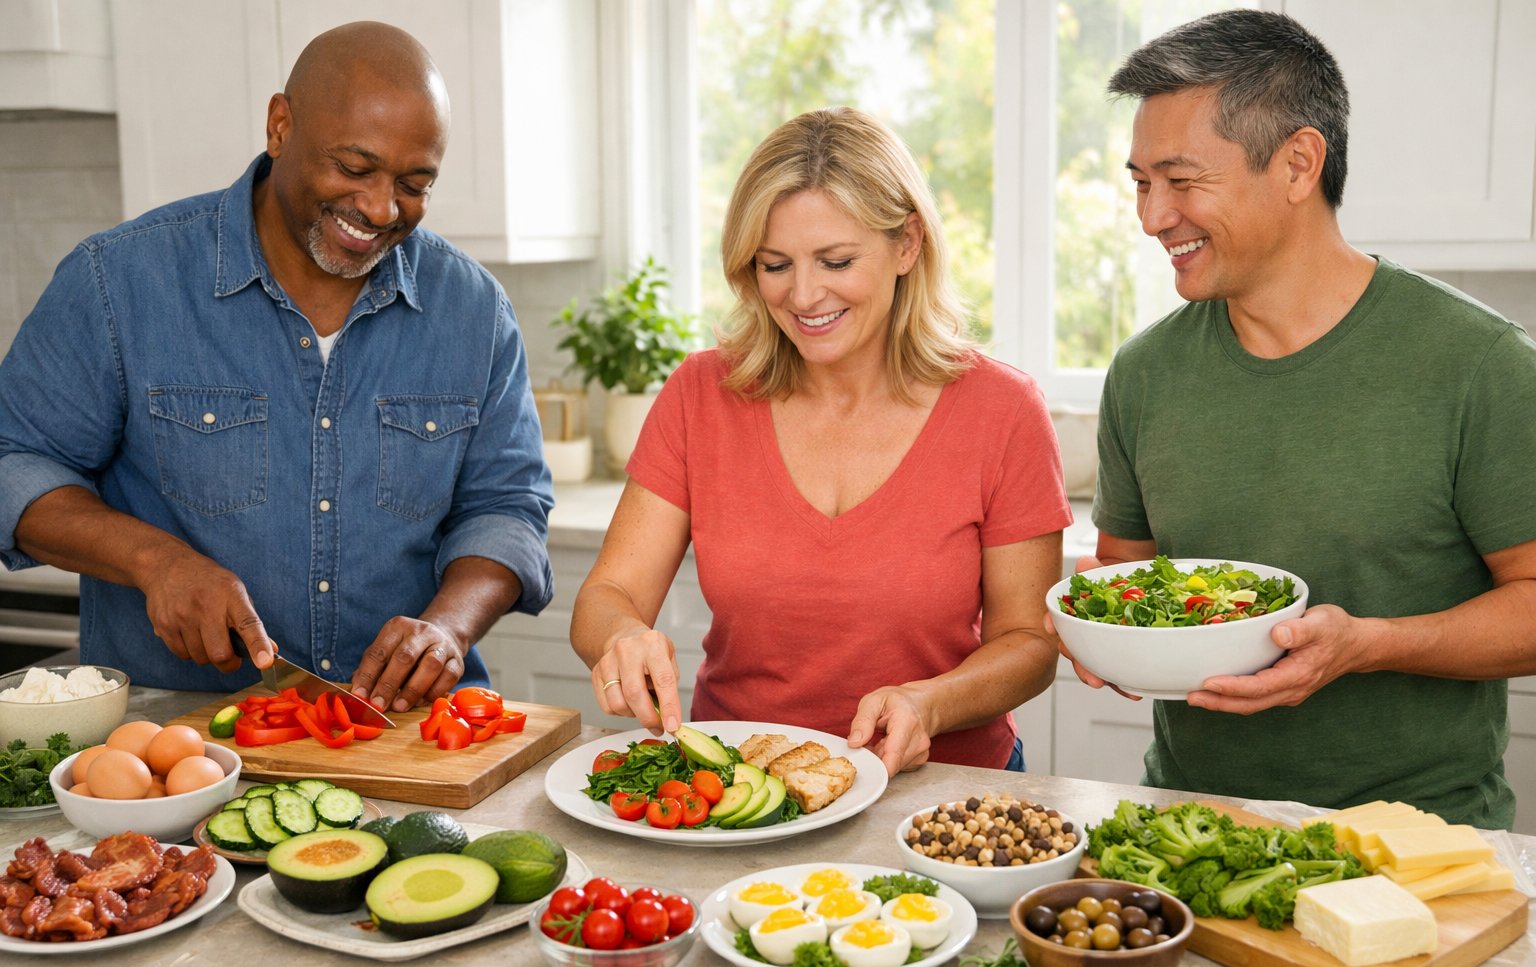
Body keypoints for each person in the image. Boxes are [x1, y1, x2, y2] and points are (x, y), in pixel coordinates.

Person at [1050, 9, 1536, 827]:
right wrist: (1094, 629)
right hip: (1189, 825)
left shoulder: (1479, 365)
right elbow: (1121, 578)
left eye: (1182, 179)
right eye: (1140, 182)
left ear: (1298, 163)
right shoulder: (1143, 375)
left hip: (1419, 842)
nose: (1151, 216)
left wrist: (1368, 644)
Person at [0, 22, 553, 712]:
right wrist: (155, 561)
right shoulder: (120, 282)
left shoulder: (473, 309)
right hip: (178, 741)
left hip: (405, 734)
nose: (381, 209)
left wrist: (448, 626)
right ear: (280, 126)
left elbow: (507, 506)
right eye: (354, 169)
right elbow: (15, 462)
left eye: (414, 184)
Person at [569, 107, 1070, 776]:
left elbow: (1026, 645)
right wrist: (623, 636)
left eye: (835, 260)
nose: (804, 295)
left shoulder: (1002, 410)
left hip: (942, 793)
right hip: (742, 786)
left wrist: (933, 703)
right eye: (775, 264)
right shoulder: (702, 394)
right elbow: (606, 596)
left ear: (906, 245)